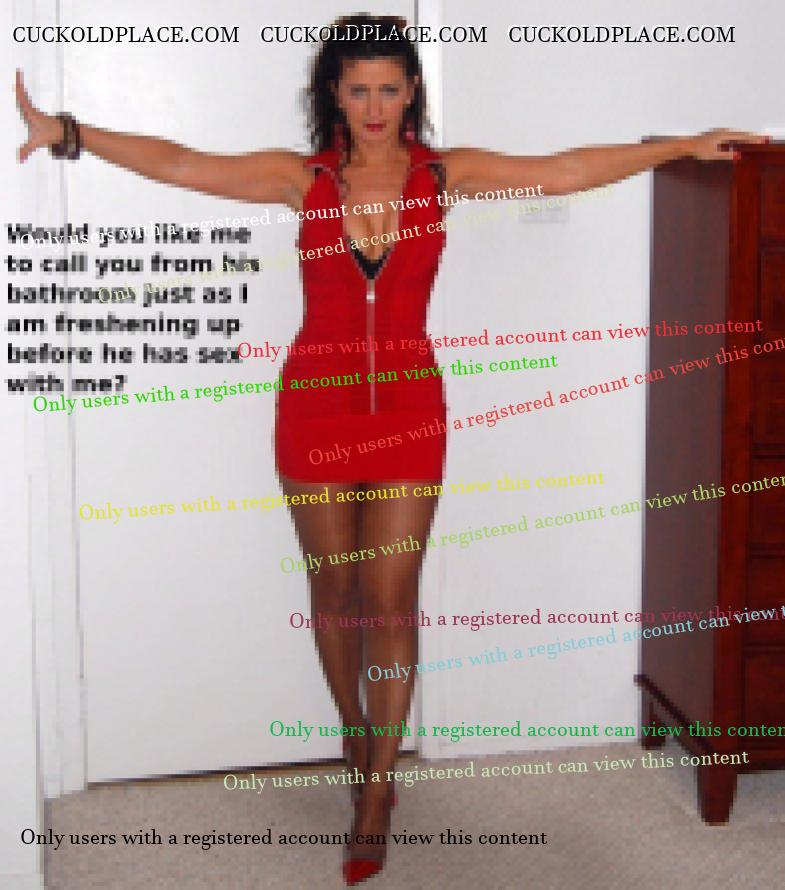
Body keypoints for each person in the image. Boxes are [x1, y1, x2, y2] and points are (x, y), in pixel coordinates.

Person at [15, 12, 765, 886]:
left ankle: (374, 790)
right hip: (314, 411)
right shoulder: (300, 179)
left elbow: (564, 169)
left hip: (409, 411)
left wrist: (680, 146)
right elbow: (182, 163)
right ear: (333, 95)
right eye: (357, 90)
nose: (373, 107)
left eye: (388, 88)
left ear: (411, 92)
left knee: (389, 598)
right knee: (334, 593)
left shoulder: (443, 175)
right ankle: (355, 730)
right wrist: (67, 133)